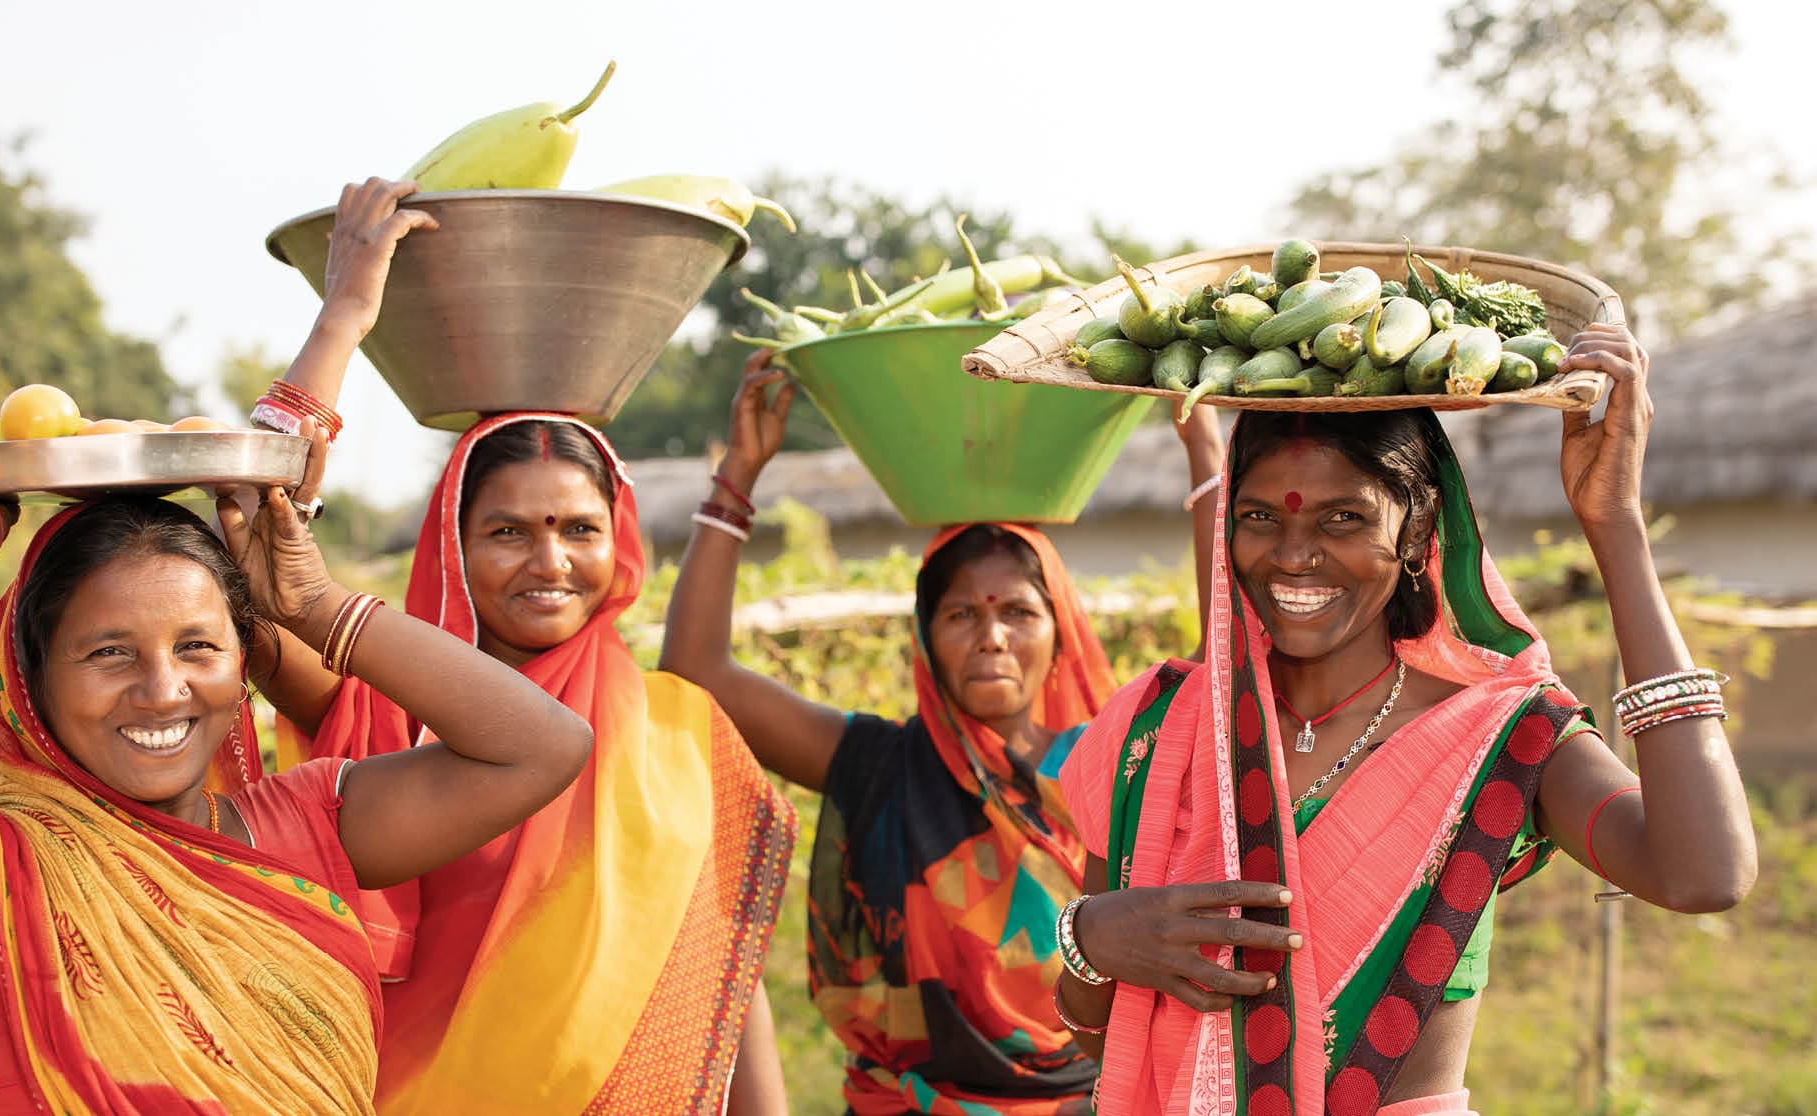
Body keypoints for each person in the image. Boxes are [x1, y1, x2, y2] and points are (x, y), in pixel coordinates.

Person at [0, 403, 593, 1113]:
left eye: (199, 648)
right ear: (32, 681)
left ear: (244, 662)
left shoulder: (308, 823)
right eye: (108, 653)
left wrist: (315, 603)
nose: (163, 689)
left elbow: (543, 747)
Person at [1053, 323, 1758, 1116]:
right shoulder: (1160, 729)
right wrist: (1091, 942)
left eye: (1341, 519)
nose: (1292, 555)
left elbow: (1704, 873)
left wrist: (1617, 524)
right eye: (1259, 519)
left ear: (1417, 531)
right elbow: (1109, 1043)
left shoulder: (1499, 735)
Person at [248, 178, 801, 1115]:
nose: (551, 561)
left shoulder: (682, 731)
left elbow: (723, 976)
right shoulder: (386, 705)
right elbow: (251, 570)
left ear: (617, 539)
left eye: (579, 528)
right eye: (508, 532)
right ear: (451, 548)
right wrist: (344, 318)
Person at [656, 352, 1226, 1114]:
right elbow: (696, 672)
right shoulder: (877, 765)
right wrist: (738, 477)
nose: (991, 635)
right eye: (961, 614)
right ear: (926, 641)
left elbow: (1227, 661)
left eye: (1018, 612)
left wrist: (1205, 452)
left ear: (1060, 634)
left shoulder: (1110, 764)